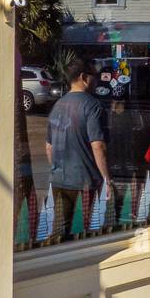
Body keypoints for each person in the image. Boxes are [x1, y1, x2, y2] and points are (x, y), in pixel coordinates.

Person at [45, 58, 111, 234]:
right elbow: (98, 146)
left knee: (58, 233)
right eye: (94, 76)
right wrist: (106, 180)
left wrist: (56, 169)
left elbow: (49, 147)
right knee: (85, 234)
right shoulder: (92, 106)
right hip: (85, 182)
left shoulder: (57, 106)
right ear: (84, 78)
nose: (96, 80)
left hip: (58, 181)